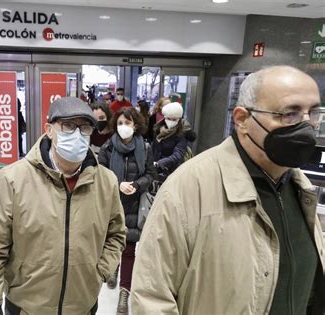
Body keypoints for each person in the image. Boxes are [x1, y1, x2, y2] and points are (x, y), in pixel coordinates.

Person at [131, 66, 325, 315]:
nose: (306, 125)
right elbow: (151, 297)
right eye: (290, 113)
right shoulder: (189, 188)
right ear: (243, 119)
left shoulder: (302, 190)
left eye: (314, 113)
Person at [0, 97, 126, 315]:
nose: (77, 134)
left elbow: (117, 234)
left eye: (84, 128)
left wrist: (99, 272)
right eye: (68, 125)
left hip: (82, 305)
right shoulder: (13, 180)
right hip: (26, 307)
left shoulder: (106, 182)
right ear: (49, 130)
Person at [98, 107, 156, 314]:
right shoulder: (108, 148)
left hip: (134, 205)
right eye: (120, 123)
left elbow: (150, 174)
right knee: (113, 242)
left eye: (128, 123)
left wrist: (138, 185)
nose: (124, 127)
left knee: (129, 249)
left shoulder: (145, 148)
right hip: (112, 203)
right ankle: (113, 267)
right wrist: (118, 184)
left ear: (136, 125)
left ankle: (124, 293)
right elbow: (100, 173)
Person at [151, 102, 188, 182]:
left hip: (171, 171)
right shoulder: (158, 130)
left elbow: (178, 154)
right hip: (155, 170)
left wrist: (160, 163)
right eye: (168, 118)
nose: (171, 121)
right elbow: (153, 148)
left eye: (174, 119)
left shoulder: (182, 134)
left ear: (179, 120)